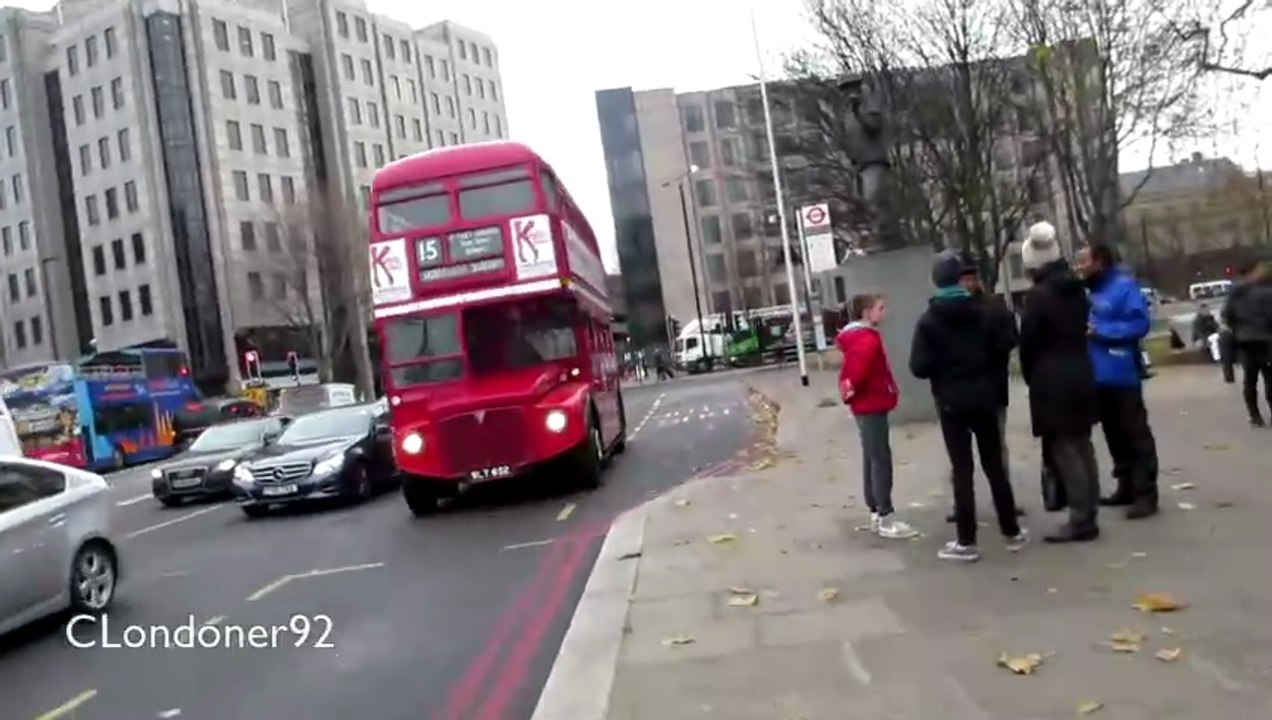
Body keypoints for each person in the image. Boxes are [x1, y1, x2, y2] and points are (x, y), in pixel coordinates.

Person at [911, 250, 1027, 562]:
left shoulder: (929, 321)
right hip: (984, 395)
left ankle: (967, 541)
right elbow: (997, 350)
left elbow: (918, 366)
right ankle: (1011, 530)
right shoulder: (983, 313)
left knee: (962, 469)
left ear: (936, 281)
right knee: (994, 465)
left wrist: (943, 366)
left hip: (951, 401)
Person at [1018, 222, 1102, 542]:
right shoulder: (1076, 290)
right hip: (1080, 369)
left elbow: (1029, 342)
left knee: (1066, 449)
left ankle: (1081, 518)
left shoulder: (1038, 297)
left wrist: (1031, 377)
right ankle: (1088, 510)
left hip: (1052, 379)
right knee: (1083, 445)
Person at [1074, 244, 1160, 519]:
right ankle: (1125, 485)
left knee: (1135, 434)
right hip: (1095, 376)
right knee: (1113, 434)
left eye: (1083, 261)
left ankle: (1145, 493)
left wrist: (1102, 332)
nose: (1079, 266)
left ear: (1099, 261)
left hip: (1121, 374)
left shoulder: (1124, 287)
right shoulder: (1086, 291)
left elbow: (1139, 324)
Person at [943, 261, 1024, 524]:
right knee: (961, 456)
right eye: (962, 280)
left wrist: (991, 351)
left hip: (991, 388)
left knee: (996, 448)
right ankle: (962, 504)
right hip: (960, 393)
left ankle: (1005, 500)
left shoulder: (994, 307)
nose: (968, 284)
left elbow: (1011, 338)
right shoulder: (948, 312)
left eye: (971, 279)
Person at [836, 293, 918, 539]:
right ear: (866, 312)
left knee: (872, 456)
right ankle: (885, 514)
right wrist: (853, 390)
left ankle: (875, 510)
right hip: (872, 403)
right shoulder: (867, 340)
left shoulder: (856, 338)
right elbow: (856, 372)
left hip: (866, 404)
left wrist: (850, 392)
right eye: (880, 308)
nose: (884, 313)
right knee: (880, 458)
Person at [1220, 260, 1272, 426]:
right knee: (1269, 378)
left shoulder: (1234, 294)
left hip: (1245, 341)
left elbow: (1227, 317)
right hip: (1266, 340)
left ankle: (1254, 415)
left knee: (1250, 379)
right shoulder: (1266, 292)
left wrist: (1239, 329)